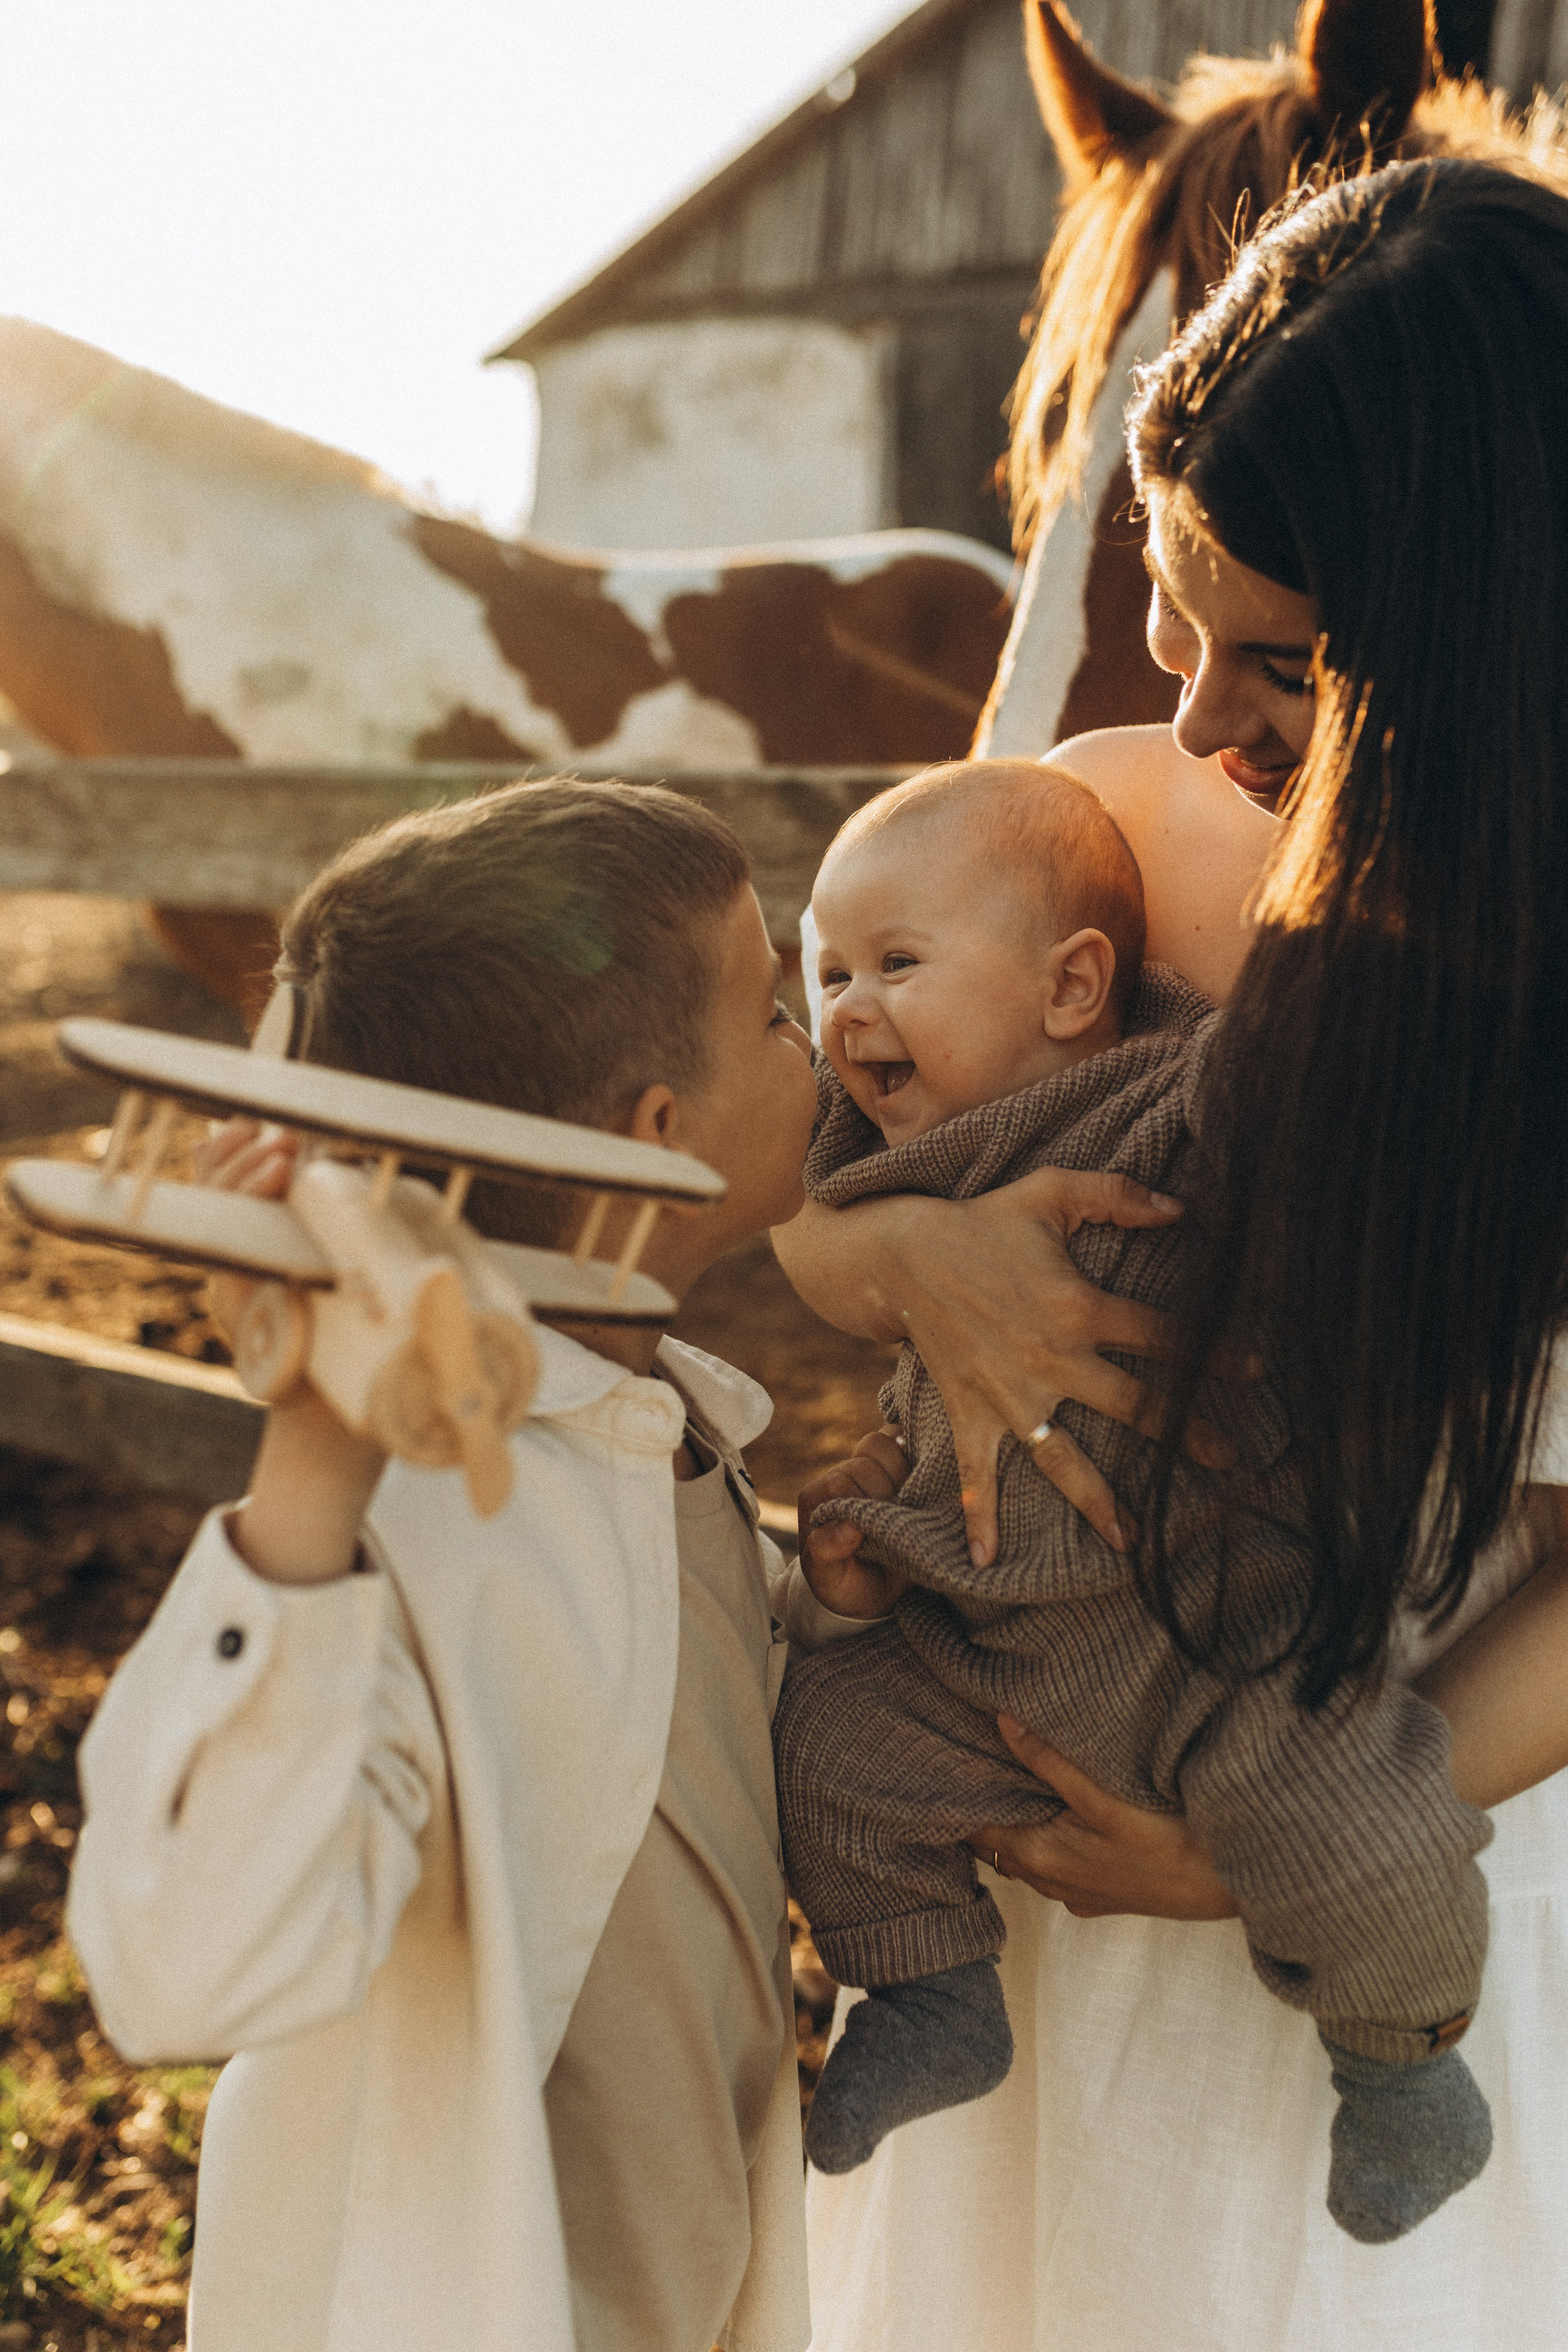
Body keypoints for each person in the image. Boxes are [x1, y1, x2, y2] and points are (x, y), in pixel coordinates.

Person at [774, 158, 1568, 2348]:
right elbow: (826, 1188)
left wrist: (1259, 1854)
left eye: (1287, 667)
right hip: (1046, 1770)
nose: (1197, 704)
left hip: (1392, 1801)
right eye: (1174, 599)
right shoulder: (1109, 819)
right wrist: (909, 1277)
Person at [66, 778, 850, 2352]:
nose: (814, 1046)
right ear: (656, 1137)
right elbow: (179, 1972)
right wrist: (314, 1446)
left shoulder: (668, 1444)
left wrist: (836, 1609)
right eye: (774, 1011)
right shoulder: (418, 1519)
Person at [774, 756, 1499, 2244]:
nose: (845, 1008)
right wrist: (862, 1543)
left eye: (893, 966)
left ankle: (1400, 2065)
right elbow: (791, 1228)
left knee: (1355, 1816)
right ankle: (927, 1991)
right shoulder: (867, 1159)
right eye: (827, 967)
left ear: (1071, 985)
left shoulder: (1180, 1093)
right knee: (826, 1745)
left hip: (1214, 1640)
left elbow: (1308, 1133)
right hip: (978, 1639)